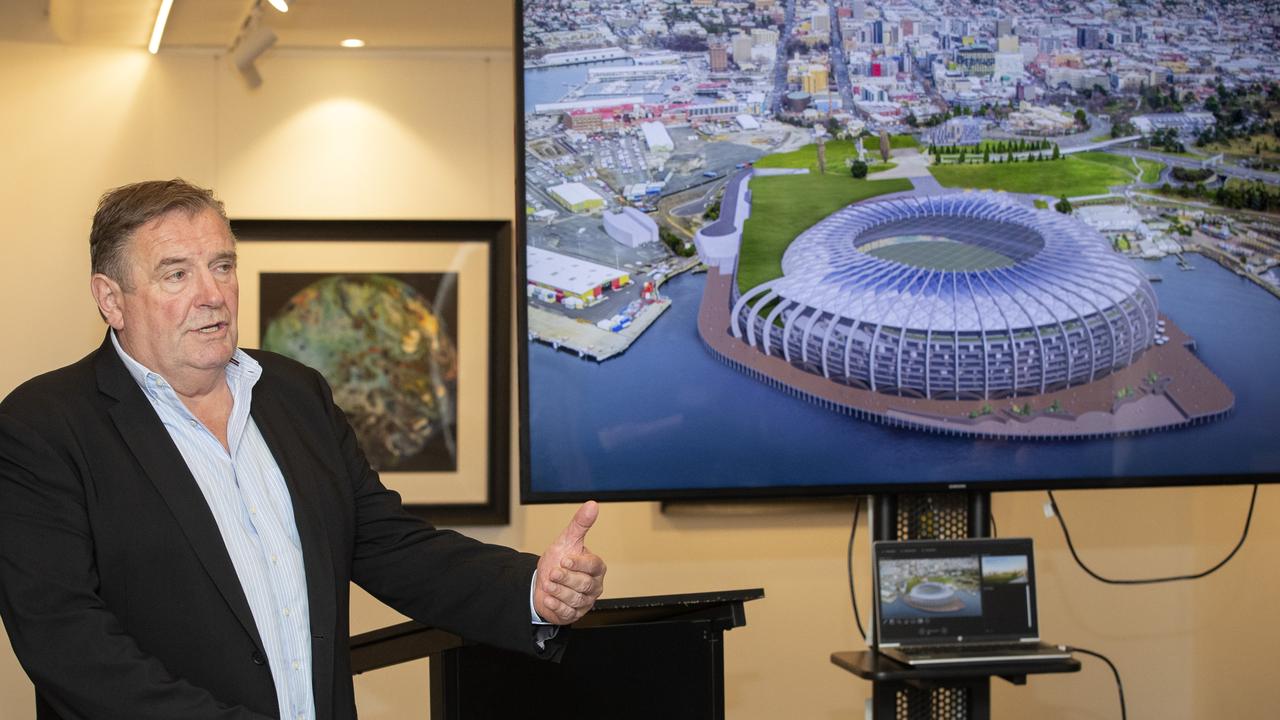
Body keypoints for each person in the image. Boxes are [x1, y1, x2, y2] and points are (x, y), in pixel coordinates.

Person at [0, 179, 606, 720]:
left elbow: (389, 545)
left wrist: (531, 588)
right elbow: (66, 641)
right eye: (176, 273)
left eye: (222, 265)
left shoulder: (294, 394)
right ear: (111, 299)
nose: (212, 294)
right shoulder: (44, 427)